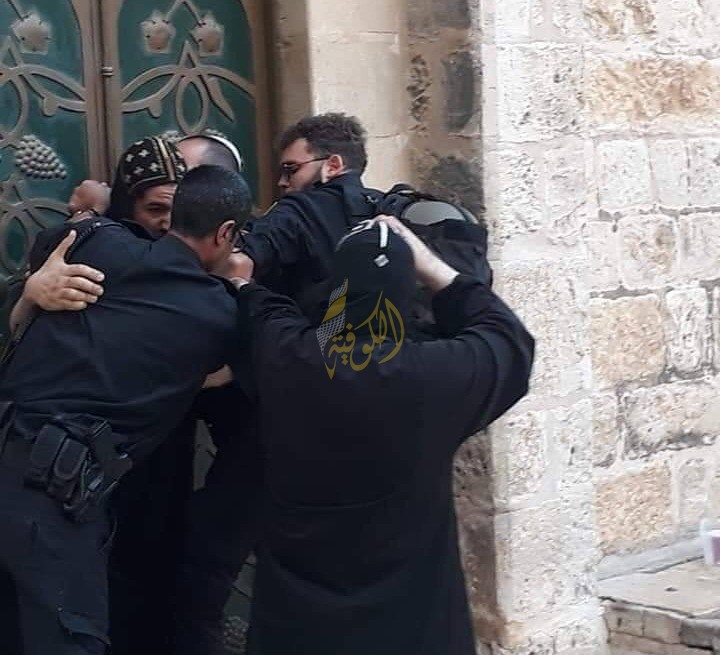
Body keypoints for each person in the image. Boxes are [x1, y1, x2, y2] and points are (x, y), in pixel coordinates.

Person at [224, 216, 534, 655]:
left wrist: (241, 282)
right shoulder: (437, 377)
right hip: (413, 626)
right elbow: (508, 338)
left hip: (301, 625)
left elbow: (266, 311)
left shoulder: (289, 357)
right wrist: (431, 266)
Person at [0, 163, 252, 655]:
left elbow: (55, 242)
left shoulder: (94, 242)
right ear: (226, 233)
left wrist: (38, 282)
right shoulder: (218, 313)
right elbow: (287, 355)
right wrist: (245, 287)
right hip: (50, 493)